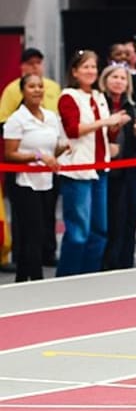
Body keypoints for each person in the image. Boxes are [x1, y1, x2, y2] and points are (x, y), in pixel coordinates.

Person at [58, 50, 130, 276]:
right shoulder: (68, 96)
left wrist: (115, 126)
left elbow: (105, 133)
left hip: (101, 167)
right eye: (85, 67)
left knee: (100, 229)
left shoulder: (99, 96)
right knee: (79, 231)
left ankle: (90, 275)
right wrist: (105, 121)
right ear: (75, 71)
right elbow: (73, 129)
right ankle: (68, 277)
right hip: (78, 169)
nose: (91, 71)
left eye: (93, 67)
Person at [0, 48, 62, 269]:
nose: (37, 90)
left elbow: (59, 130)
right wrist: (33, 149)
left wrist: (61, 148)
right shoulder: (11, 94)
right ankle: (23, 260)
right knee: (26, 222)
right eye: (30, 63)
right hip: (24, 169)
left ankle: (48, 251)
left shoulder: (54, 89)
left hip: (48, 167)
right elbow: (4, 126)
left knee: (47, 216)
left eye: (39, 63)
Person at [99, 64, 136, 270]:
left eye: (123, 78)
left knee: (130, 220)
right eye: (114, 77)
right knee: (111, 221)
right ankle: (108, 266)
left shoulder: (130, 106)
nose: (118, 81)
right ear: (105, 80)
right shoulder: (99, 104)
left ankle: (126, 264)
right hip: (106, 173)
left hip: (131, 171)